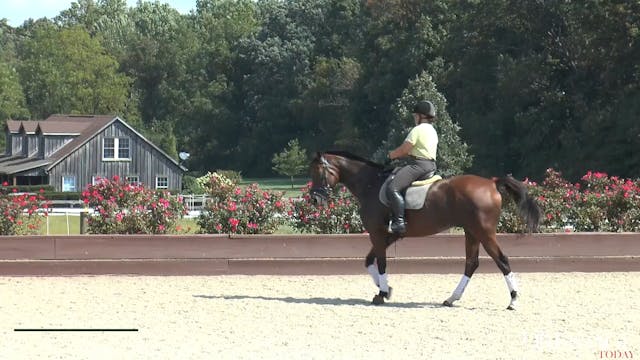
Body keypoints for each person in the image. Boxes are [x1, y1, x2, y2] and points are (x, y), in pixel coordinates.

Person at [386, 100, 439, 234]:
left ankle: (399, 222)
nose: (414, 118)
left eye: (415, 116)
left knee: (393, 188)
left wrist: (390, 155)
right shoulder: (432, 131)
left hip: (419, 165)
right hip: (431, 165)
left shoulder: (418, 130)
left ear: (421, 116)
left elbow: (405, 149)